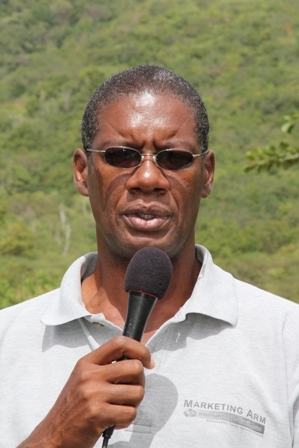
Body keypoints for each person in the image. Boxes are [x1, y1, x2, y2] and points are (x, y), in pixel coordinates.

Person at [0, 65, 298, 448]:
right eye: (121, 155)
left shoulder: (287, 343)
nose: (147, 178)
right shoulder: (7, 343)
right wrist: (57, 435)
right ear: (81, 171)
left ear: (206, 174)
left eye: (173, 158)